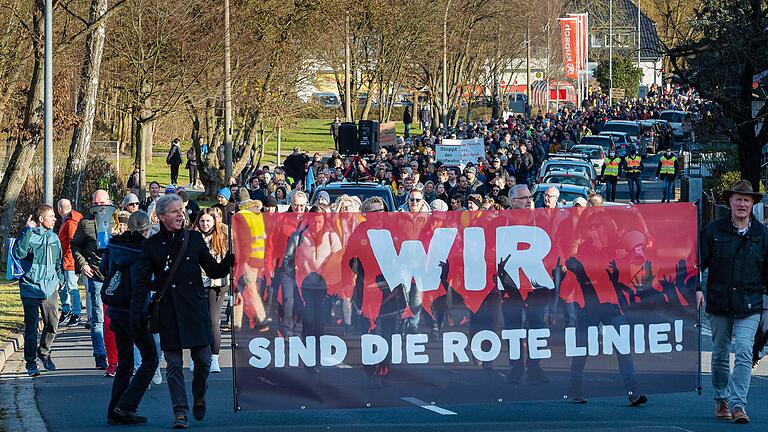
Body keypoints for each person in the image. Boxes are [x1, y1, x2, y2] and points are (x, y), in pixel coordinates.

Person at [135, 194, 233, 429]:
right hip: (169, 311)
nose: (181, 214)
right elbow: (142, 281)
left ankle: (199, 394)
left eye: (182, 210)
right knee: (174, 365)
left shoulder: (194, 239)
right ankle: (180, 412)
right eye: (174, 211)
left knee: (203, 361)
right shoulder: (151, 245)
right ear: (160, 217)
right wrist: (138, 310)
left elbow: (214, 271)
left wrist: (230, 259)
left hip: (195, 308)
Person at [699, 180, 768, 424]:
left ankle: (739, 405)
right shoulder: (713, 231)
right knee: (718, 354)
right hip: (719, 303)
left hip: (750, 304)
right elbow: (697, 263)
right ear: (730, 202)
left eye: (746, 200)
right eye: (737, 199)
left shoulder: (762, 235)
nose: (741, 204)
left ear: (752, 204)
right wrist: (697, 288)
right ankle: (721, 399)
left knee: (744, 353)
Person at [101, 211, 158, 425]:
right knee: (150, 358)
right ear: (146, 230)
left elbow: (104, 270)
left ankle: (113, 410)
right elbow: (141, 285)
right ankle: (127, 405)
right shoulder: (142, 251)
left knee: (125, 361)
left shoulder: (115, 247)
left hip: (115, 309)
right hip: (133, 311)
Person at [13, 204, 64, 377]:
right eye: (51, 216)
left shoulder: (54, 237)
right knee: (32, 328)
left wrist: (60, 279)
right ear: (41, 219)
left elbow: (59, 262)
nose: (55, 219)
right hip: (30, 288)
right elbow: (18, 253)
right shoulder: (29, 235)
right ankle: (30, 363)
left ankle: (43, 352)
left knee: (52, 324)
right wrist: (27, 231)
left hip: (50, 289)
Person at [71, 189, 113, 370]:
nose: (98, 207)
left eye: (101, 203)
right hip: (95, 275)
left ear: (109, 202)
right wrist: (83, 264)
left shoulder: (118, 220)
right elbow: (75, 246)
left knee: (116, 318)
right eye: (95, 204)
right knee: (98, 319)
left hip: (116, 276)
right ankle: (100, 356)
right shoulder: (85, 222)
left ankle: (117, 356)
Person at [192, 208, 229, 374]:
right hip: (197, 283)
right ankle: (198, 358)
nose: (205, 224)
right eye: (202, 221)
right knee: (198, 320)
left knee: (213, 320)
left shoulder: (222, 236)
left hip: (217, 283)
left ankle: (214, 358)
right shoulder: (192, 237)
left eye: (208, 221)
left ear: (214, 222)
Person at [56, 199, 83, 327]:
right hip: (68, 259)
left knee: (71, 287)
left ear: (60, 209)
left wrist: (67, 259)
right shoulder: (70, 220)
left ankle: (76, 313)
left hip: (70, 260)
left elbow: (72, 243)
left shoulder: (70, 222)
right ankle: (67, 310)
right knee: (64, 286)